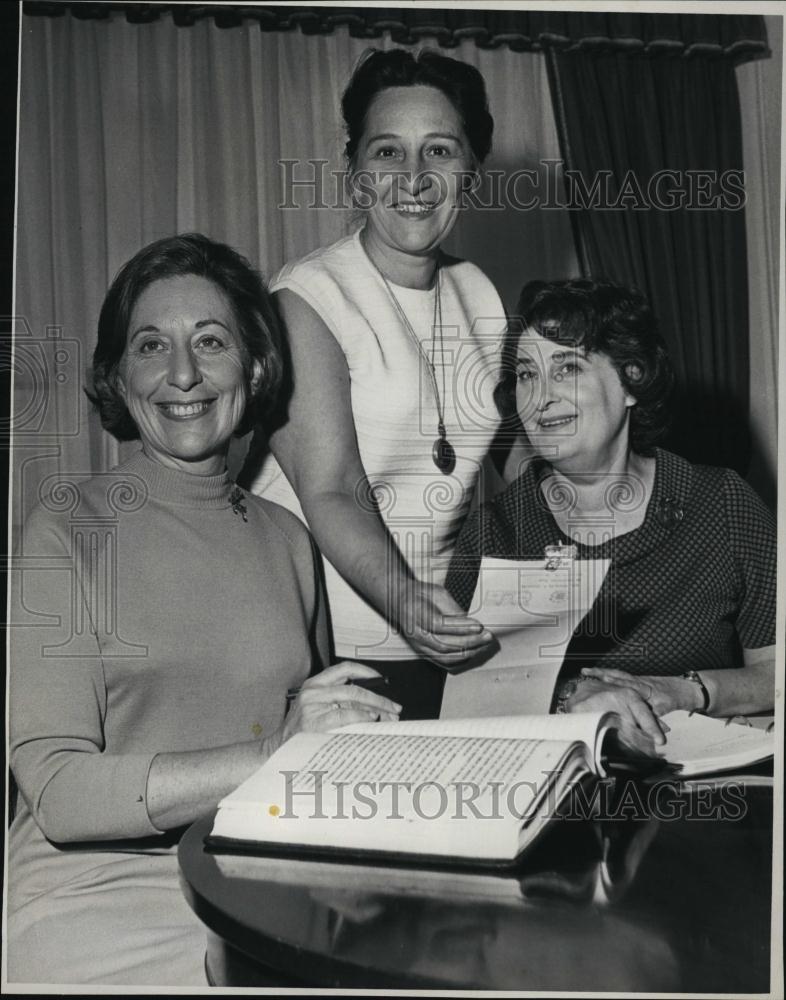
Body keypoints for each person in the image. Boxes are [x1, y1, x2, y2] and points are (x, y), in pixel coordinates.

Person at [7, 234, 400, 987]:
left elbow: (309, 752)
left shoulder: (289, 538)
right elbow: (56, 792)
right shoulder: (66, 528)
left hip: (255, 889)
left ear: (254, 369)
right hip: (96, 902)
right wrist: (267, 761)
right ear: (119, 378)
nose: (182, 373)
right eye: (150, 345)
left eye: (210, 342)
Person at [240, 48, 507, 714]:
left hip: (448, 625)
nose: (413, 179)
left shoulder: (479, 292)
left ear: (470, 170)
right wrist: (409, 602)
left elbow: (511, 452)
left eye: (440, 151)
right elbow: (333, 488)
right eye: (388, 153)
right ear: (356, 173)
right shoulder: (306, 297)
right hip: (325, 635)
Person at [446, 278, 775, 751]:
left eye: (567, 368)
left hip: (704, 795)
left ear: (632, 382)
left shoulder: (721, 503)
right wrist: (570, 698)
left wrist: (681, 691)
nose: (541, 397)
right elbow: (468, 705)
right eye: (526, 375)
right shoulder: (496, 531)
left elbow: (776, 672)